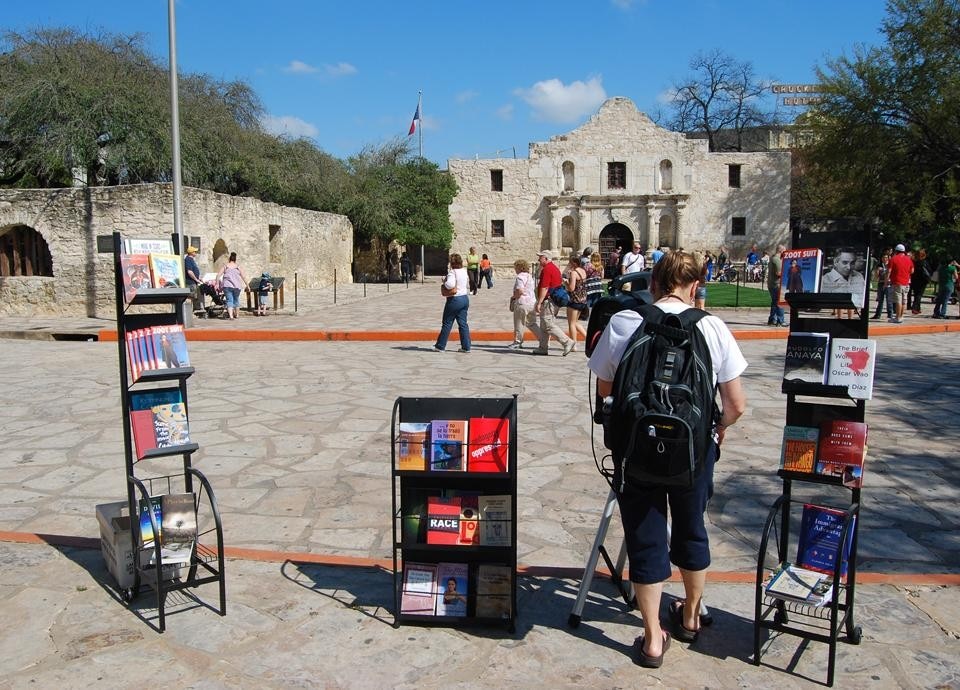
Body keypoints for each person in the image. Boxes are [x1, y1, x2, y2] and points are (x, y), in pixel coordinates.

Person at [587, 251, 747, 668]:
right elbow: (735, 404)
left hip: (637, 449)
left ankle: (653, 637)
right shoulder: (712, 327)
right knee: (692, 527)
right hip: (693, 451)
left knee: (645, 535)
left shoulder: (625, 321)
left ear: (652, 283)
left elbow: (606, 388)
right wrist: (717, 429)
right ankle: (691, 615)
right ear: (695, 286)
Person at [532, 250, 575, 356]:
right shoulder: (554, 268)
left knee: (548, 324)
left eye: (540, 257)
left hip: (549, 301)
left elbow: (545, 287)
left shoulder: (547, 269)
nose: (538, 259)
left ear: (546, 258)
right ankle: (543, 347)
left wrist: (539, 302)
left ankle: (567, 342)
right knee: (544, 325)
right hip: (554, 300)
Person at [433, 253, 471, 352]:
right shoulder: (464, 271)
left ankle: (440, 346)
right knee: (463, 323)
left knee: (447, 322)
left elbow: (450, 285)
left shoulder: (452, 272)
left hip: (454, 299)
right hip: (464, 298)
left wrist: (444, 281)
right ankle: (466, 346)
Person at [508, 259, 539, 349]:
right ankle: (543, 339)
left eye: (515, 267)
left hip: (522, 303)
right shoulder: (530, 276)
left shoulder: (520, 277)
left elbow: (520, 290)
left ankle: (518, 341)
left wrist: (514, 297)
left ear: (519, 268)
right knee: (532, 324)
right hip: (531, 303)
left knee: (519, 323)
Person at [564, 255, 589, 344]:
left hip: (574, 300)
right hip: (583, 299)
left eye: (570, 263)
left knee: (571, 323)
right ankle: (587, 338)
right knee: (576, 322)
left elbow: (571, 288)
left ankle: (573, 344)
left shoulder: (574, 273)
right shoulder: (583, 271)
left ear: (574, 263)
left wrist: (566, 283)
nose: (569, 265)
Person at [216, 252, 248, 320]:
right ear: (235, 259)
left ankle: (231, 316)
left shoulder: (225, 266)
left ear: (229, 259)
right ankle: (237, 315)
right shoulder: (238, 267)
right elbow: (244, 277)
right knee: (236, 300)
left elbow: (218, 275)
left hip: (227, 286)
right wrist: (247, 285)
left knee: (229, 300)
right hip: (237, 286)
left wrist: (217, 284)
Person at [888, 243, 914, 323]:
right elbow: (912, 271)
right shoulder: (908, 259)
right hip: (906, 282)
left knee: (898, 300)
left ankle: (897, 317)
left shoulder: (893, 259)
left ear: (896, 251)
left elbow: (889, 271)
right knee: (904, 300)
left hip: (897, 282)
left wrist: (886, 281)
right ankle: (901, 316)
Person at [871, 250, 894, 320]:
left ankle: (890, 314)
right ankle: (877, 314)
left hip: (889, 284)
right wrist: (877, 271)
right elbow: (876, 277)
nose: (884, 259)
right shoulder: (879, 265)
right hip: (881, 283)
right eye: (883, 257)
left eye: (886, 257)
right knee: (880, 300)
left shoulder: (890, 265)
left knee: (889, 300)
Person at [767, 244, 786, 326]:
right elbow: (778, 273)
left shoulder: (772, 258)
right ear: (781, 251)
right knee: (780, 302)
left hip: (771, 284)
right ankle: (780, 320)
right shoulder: (777, 260)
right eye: (784, 251)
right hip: (777, 284)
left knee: (774, 302)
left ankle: (772, 319)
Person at [909, 248, 932, 314]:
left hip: (914, 280)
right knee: (919, 295)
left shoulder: (914, 262)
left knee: (916, 294)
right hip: (922, 281)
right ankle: (915, 307)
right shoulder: (924, 262)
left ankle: (918, 308)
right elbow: (929, 270)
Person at [183, 245, 204, 314]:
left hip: (193, 281)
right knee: (190, 297)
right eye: (194, 251)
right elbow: (189, 271)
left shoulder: (191, 260)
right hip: (190, 282)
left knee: (192, 297)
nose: (196, 252)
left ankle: (190, 312)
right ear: (191, 252)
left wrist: (198, 279)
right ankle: (188, 313)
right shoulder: (188, 260)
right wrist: (196, 279)